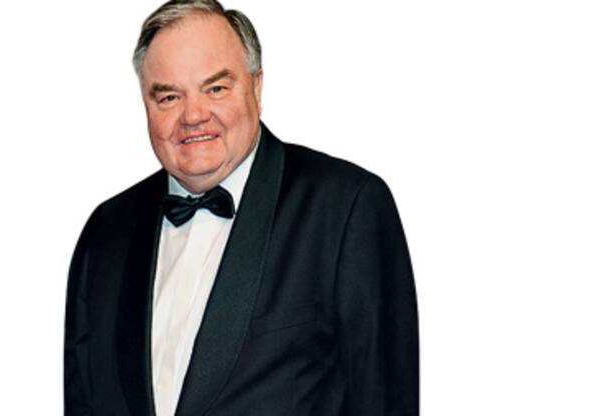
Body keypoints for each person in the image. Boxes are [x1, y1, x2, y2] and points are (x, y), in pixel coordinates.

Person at [64, 1, 418, 415]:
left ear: (256, 86)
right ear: (146, 103)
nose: (193, 115)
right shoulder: (106, 231)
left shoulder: (344, 206)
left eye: (216, 89)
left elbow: (385, 401)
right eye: (170, 97)